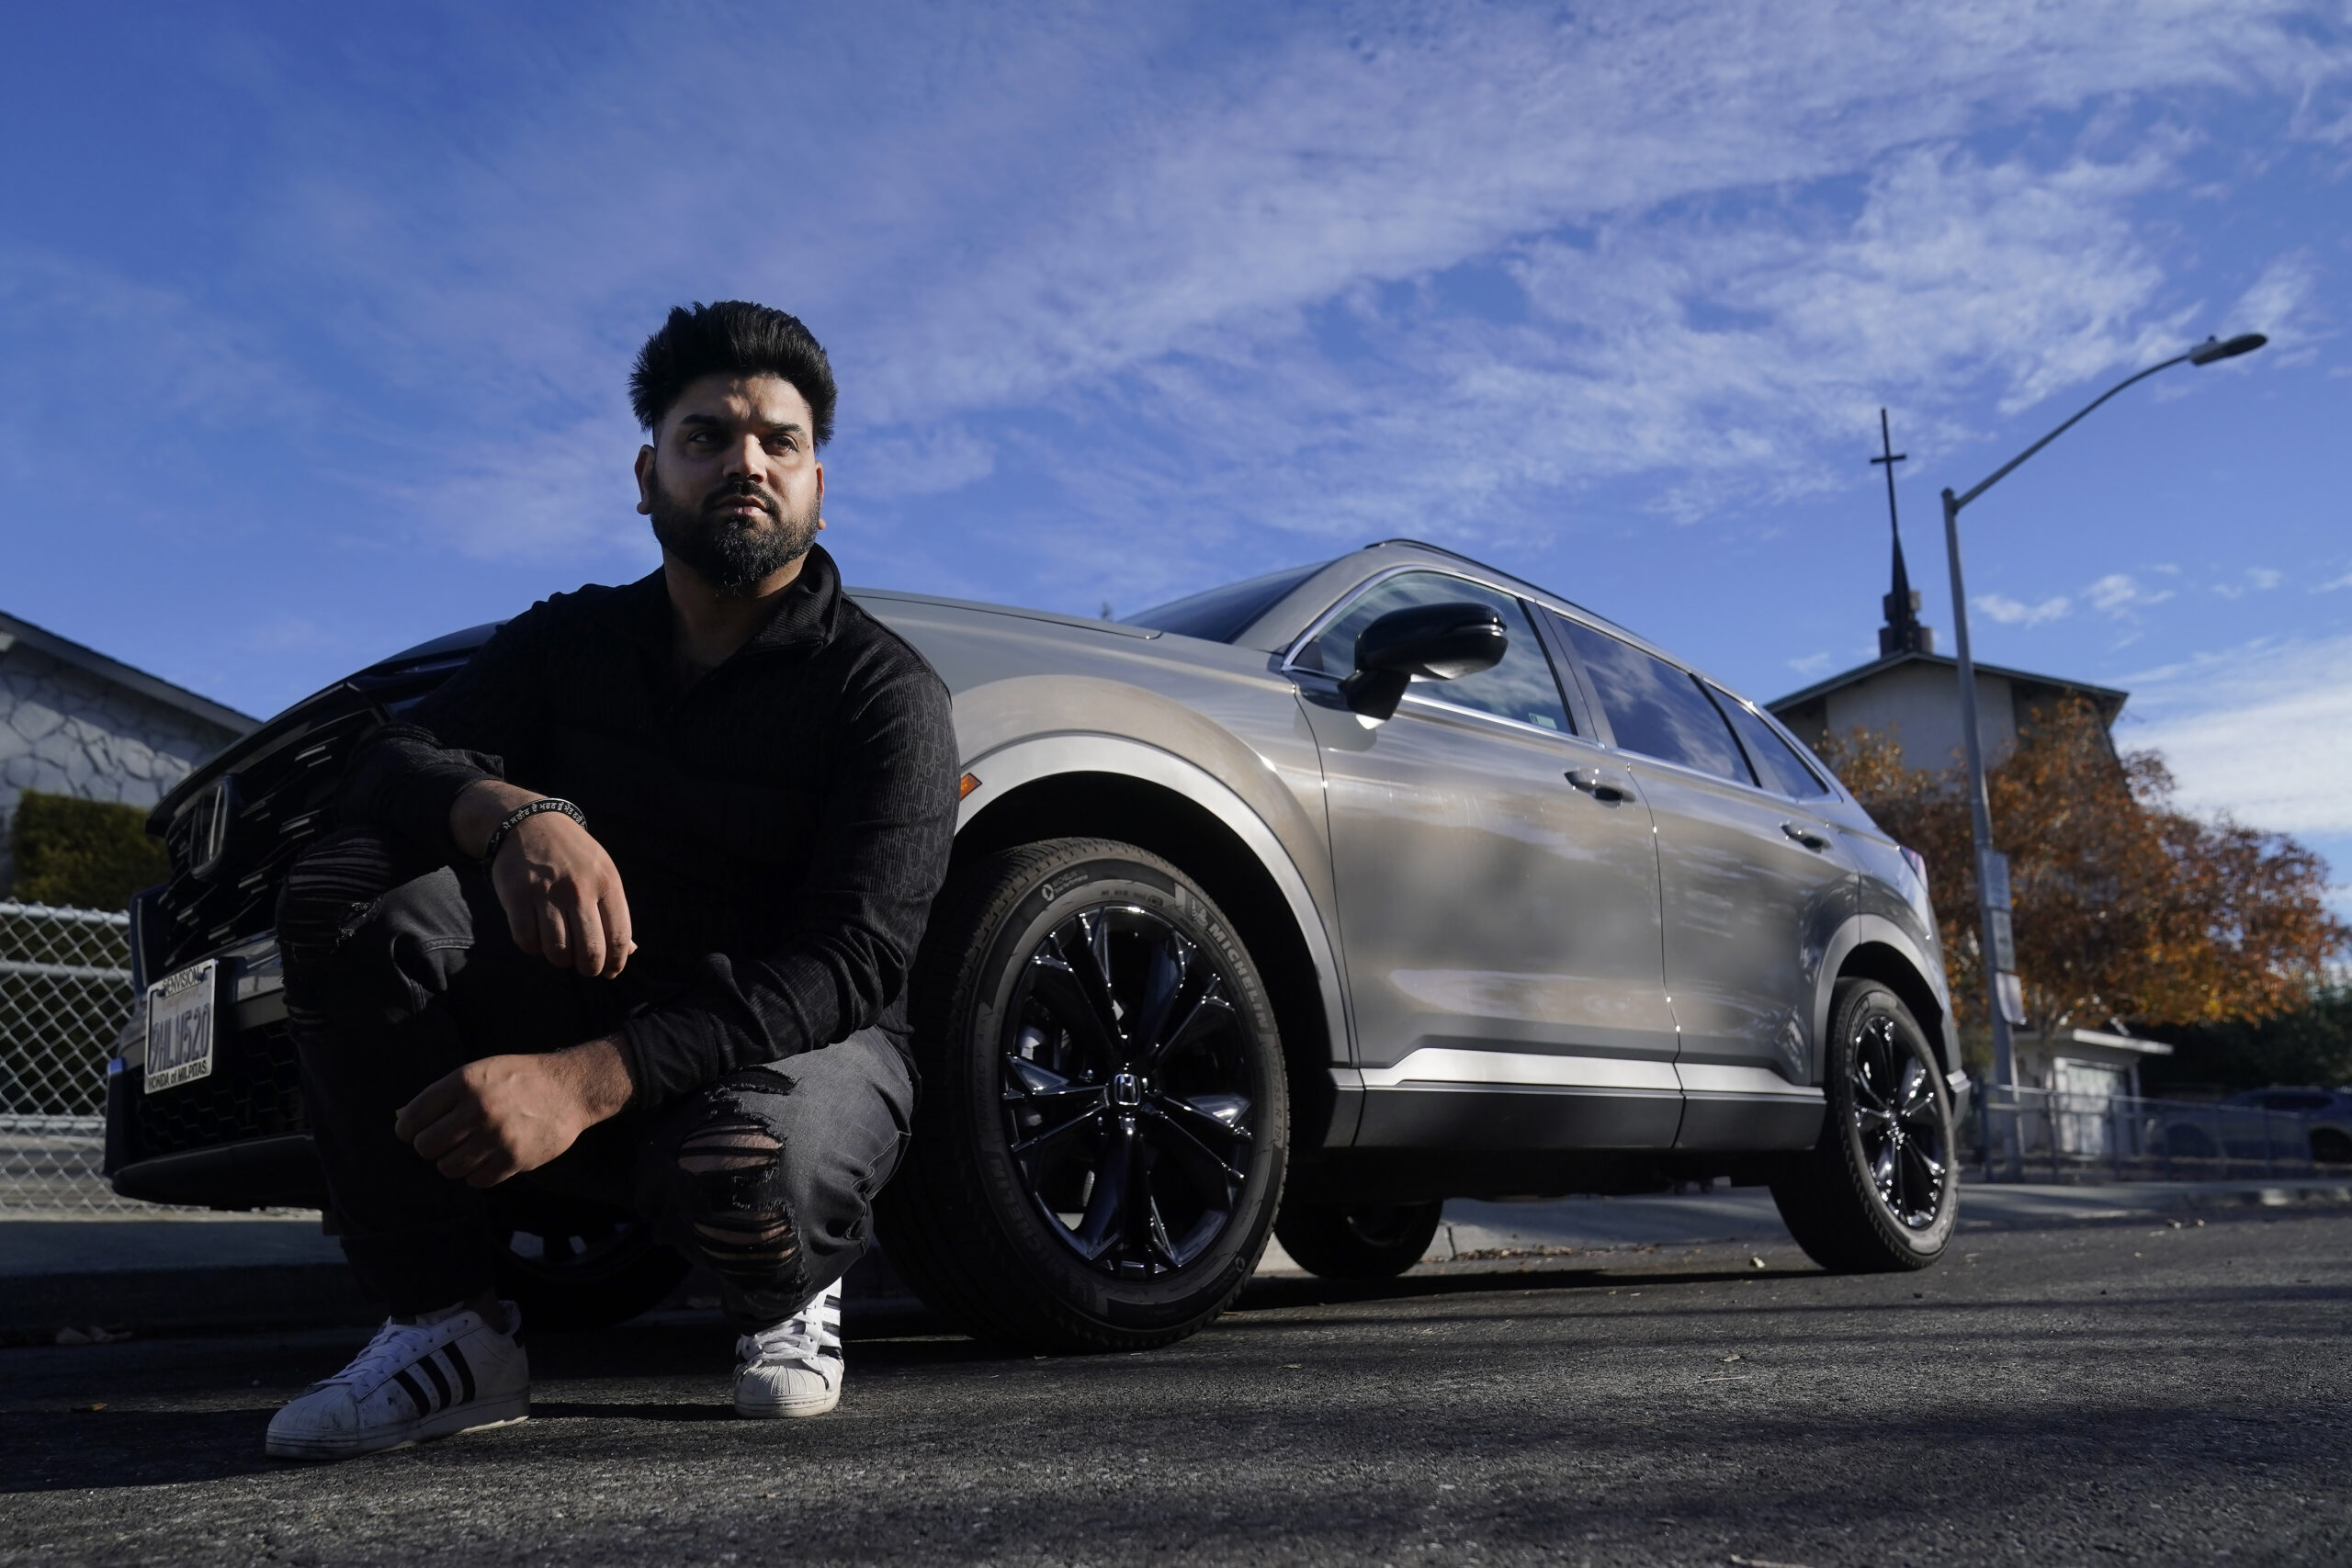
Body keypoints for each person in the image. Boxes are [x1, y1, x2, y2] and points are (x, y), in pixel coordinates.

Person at [263, 301, 959, 1460]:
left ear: (818, 486)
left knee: (748, 1167)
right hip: (591, 995)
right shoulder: (570, 640)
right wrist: (510, 817)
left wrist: (585, 1084)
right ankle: (450, 1330)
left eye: (778, 442)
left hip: (790, 1048)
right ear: (647, 475)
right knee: (347, 895)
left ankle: (785, 1295)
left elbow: (854, 964)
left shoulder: (884, 694)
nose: (744, 461)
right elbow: (376, 760)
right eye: (706, 436)